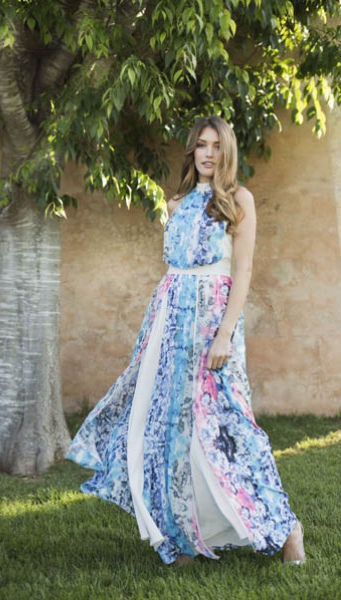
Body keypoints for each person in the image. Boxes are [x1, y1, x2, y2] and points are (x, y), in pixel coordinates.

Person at [66, 115, 306, 567]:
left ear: (227, 152)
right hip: (170, 324)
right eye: (201, 145)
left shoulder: (239, 200)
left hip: (213, 324)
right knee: (169, 429)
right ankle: (181, 533)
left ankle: (284, 527)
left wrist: (224, 334)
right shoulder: (175, 204)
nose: (208, 154)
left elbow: (243, 271)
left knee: (230, 427)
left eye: (217, 146)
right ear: (192, 150)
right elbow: (174, 273)